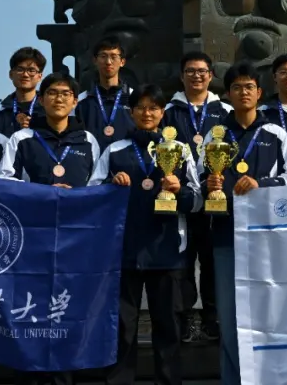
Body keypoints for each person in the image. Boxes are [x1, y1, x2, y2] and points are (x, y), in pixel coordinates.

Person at [0, 73, 104, 385]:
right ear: (41, 100)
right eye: (53, 93)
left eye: (66, 93)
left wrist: (76, 199)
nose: (59, 98)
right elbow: (4, 184)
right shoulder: (23, 138)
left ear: (74, 101)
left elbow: (97, 186)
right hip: (32, 241)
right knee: (30, 314)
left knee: (66, 313)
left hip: (74, 241)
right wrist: (44, 194)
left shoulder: (87, 141)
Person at [96, 84, 201, 385]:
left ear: (162, 112)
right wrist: (111, 185)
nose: (147, 113)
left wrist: (179, 192)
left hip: (167, 251)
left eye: (153, 107)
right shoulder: (114, 150)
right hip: (124, 252)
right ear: (131, 113)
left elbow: (197, 200)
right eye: (140, 107)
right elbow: (92, 193)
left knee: (168, 330)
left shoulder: (179, 150)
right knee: (123, 330)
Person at [200, 62, 287, 385]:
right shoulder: (215, 135)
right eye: (237, 87)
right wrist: (210, 183)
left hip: (268, 238)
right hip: (226, 236)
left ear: (259, 92)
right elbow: (197, 179)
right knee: (229, 318)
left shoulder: (275, 133)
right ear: (228, 94)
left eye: (249, 87)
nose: (244, 92)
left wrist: (260, 184)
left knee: (270, 314)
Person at [162, 51, 231, 343]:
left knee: (213, 260)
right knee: (184, 261)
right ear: (182, 76)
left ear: (211, 75)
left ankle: (213, 318)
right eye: (190, 71)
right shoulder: (169, 110)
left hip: (216, 194)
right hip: (182, 195)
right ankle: (187, 317)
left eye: (202, 71)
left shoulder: (224, 110)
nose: (196, 76)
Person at [73, 36, 133, 150]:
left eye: (114, 57)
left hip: (127, 160)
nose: (108, 62)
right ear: (95, 60)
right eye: (103, 56)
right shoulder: (80, 102)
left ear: (122, 62)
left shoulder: (134, 99)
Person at [0, 47, 47, 139]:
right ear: (11, 74)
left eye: (31, 70)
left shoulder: (49, 109)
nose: (25, 74)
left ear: (40, 76)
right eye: (20, 69)